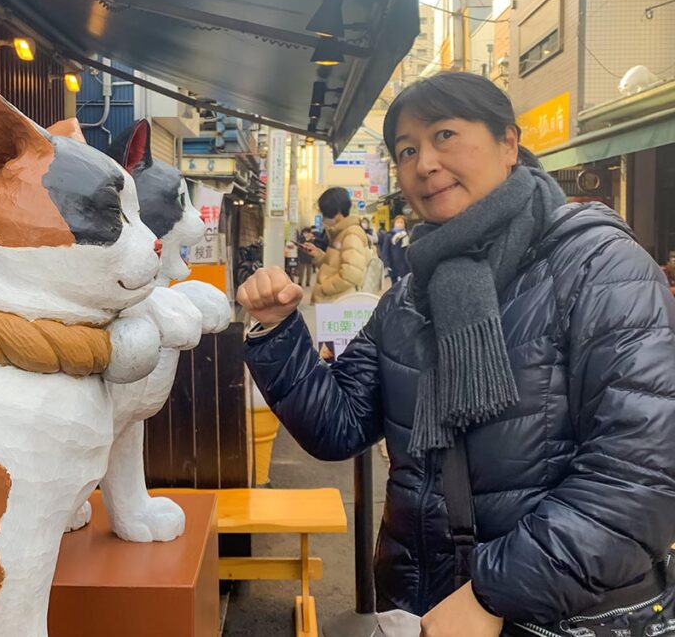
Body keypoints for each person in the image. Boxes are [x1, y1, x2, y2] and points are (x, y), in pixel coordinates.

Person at [237, 72, 675, 636]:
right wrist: (277, 333)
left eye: (445, 135)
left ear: (509, 144)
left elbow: (639, 478)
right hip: (426, 606)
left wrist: (492, 593)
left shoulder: (599, 269)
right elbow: (338, 426)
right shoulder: (409, 296)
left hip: (558, 615)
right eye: (407, 150)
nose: (425, 163)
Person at [299, 187, 373, 303]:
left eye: (325, 213)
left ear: (337, 214)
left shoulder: (351, 234)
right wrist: (318, 255)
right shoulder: (340, 233)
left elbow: (351, 274)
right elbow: (335, 266)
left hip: (341, 302)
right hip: (336, 301)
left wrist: (323, 288)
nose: (323, 218)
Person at [387, 214, 410, 283]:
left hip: (405, 266)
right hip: (393, 265)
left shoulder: (408, 236)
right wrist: (387, 264)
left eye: (401, 222)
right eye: (397, 222)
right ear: (394, 224)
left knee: (405, 285)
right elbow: (386, 251)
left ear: (405, 224)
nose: (399, 224)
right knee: (394, 286)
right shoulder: (389, 236)